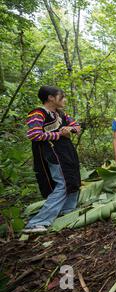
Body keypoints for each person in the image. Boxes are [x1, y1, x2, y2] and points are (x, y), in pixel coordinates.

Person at [23, 86, 81, 233]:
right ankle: (38, 222)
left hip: (67, 152)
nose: (65, 100)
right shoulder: (37, 113)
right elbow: (34, 135)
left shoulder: (61, 113)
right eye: (62, 97)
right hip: (53, 153)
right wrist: (59, 134)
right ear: (50, 98)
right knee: (62, 183)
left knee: (73, 180)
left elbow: (77, 126)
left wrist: (70, 129)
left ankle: (67, 211)